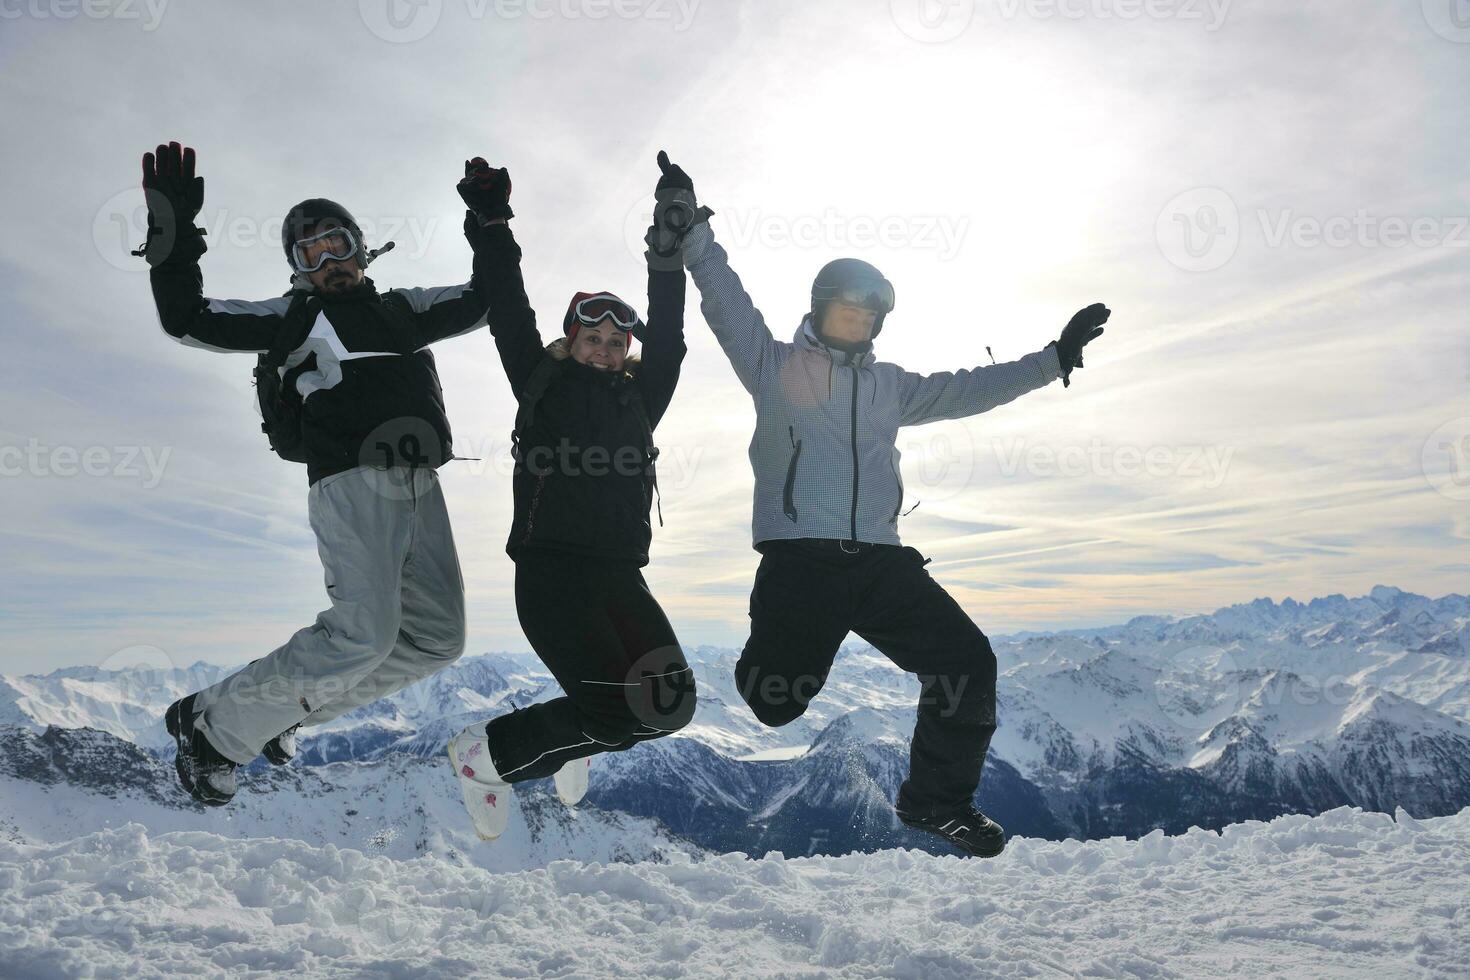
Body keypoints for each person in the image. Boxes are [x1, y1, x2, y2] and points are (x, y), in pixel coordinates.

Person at [657, 151, 1110, 857]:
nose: (860, 323)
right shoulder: (774, 368)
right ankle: (759, 644)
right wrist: (692, 230)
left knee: (967, 663)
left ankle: (937, 801)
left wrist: (1053, 359)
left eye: (870, 316)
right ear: (820, 310)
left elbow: (968, 388)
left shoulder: (889, 386)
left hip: (883, 563)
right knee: (774, 703)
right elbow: (724, 301)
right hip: (802, 564)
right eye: (848, 309)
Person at [141, 142, 502, 805]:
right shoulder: (294, 317)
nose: (328, 262)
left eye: (336, 245)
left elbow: (489, 298)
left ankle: (290, 712)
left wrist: (490, 222)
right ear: (300, 270)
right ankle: (215, 730)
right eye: (311, 255)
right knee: (363, 630)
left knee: (436, 639)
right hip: (349, 478)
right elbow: (186, 320)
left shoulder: (404, 309)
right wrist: (172, 227)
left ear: (361, 248)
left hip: (422, 482)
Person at [446, 159, 697, 841]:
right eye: (594, 339)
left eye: (618, 343)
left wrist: (668, 240)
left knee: (670, 705)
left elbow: (669, 336)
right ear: (572, 339)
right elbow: (507, 306)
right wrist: (493, 221)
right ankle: (484, 758)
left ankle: (574, 734)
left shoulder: (642, 400)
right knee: (614, 717)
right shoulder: (540, 382)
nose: (608, 351)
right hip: (552, 574)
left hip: (619, 577)